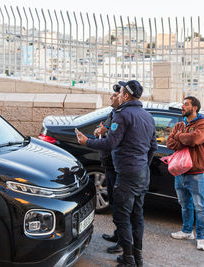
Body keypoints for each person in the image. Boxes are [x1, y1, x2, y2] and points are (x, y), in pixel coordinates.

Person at [76, 80, 158, 267]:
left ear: (126, 96)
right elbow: (153, 147)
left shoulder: (122, 115)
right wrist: (143, 163)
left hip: (127, 174)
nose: (118, 95)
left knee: (122, 216)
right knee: (137, 216)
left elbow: (110, 143)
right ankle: (138, 258)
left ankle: (128, 260)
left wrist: (86, 142)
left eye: (120, 92)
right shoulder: (148, 116)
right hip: (142, 173)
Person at [166, 96, 204, 251]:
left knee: (199, 206)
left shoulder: (202, 124)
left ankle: (202, 237)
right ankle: (187, 231)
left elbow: (195, 139)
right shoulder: (179, 124)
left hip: (196, 173)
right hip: (179, 171)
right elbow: (169, 143)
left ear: (194, 107)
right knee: (185, 204)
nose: (182, 107)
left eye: (186, 104)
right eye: (182, 104)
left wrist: (178, 136)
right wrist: (182, 138)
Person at [93, 89, 123, 254]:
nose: (111, 97)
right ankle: (118, 235)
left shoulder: (122, 116)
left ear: (123, 96)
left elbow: (113, 139)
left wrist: (103, 133)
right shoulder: (114, 113)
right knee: (113, 202)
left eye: (114, 94)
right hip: (109, 164)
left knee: (121, 206)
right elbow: (105, 128)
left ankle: (122, 242)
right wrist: (101, 130)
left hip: (117, 166)